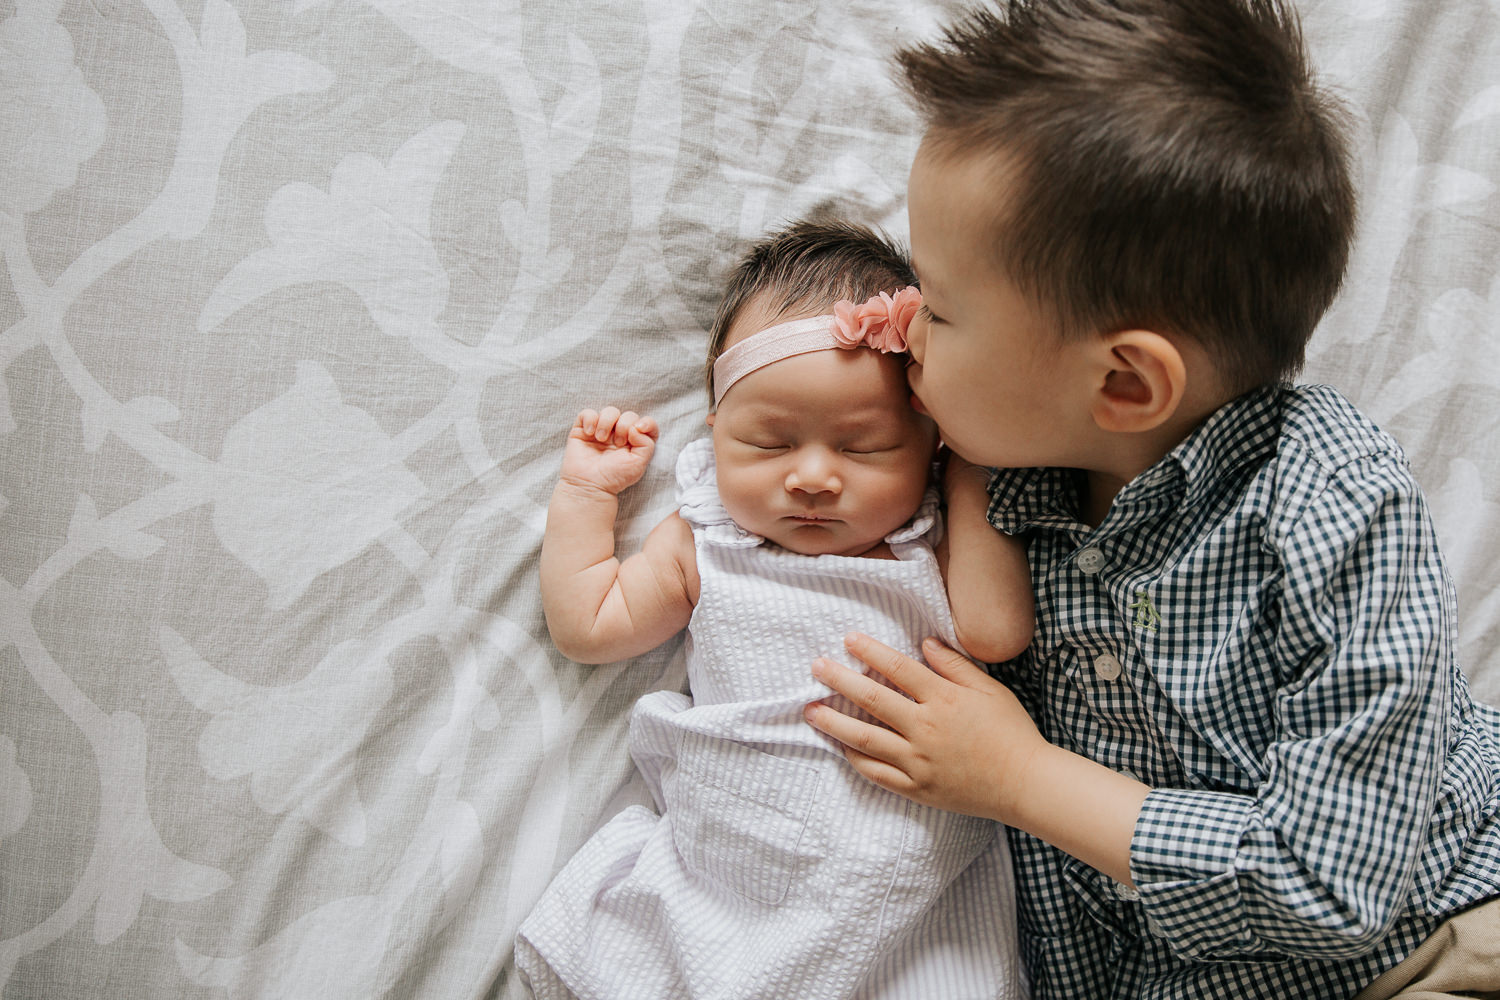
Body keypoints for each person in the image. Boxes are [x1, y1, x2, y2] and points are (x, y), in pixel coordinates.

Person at [802, 2, 1500, 998]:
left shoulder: (1333, 502)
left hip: (1435, 935)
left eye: (942, 308)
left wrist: (1018, 778)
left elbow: (1336, 881)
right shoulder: (1006, 474)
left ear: (1125, 385)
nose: (906, 324)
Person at [514, 219, 1034, 999]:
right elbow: (592, 625)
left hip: (901, 891)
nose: (815, 477)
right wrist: (588, 496)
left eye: (863, 448)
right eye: (768, 443)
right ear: (717, 434)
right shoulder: (708, 541)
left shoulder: (927, 540)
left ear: (931, 445)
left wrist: (972, 468)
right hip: (735, 861)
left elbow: (995, 634)